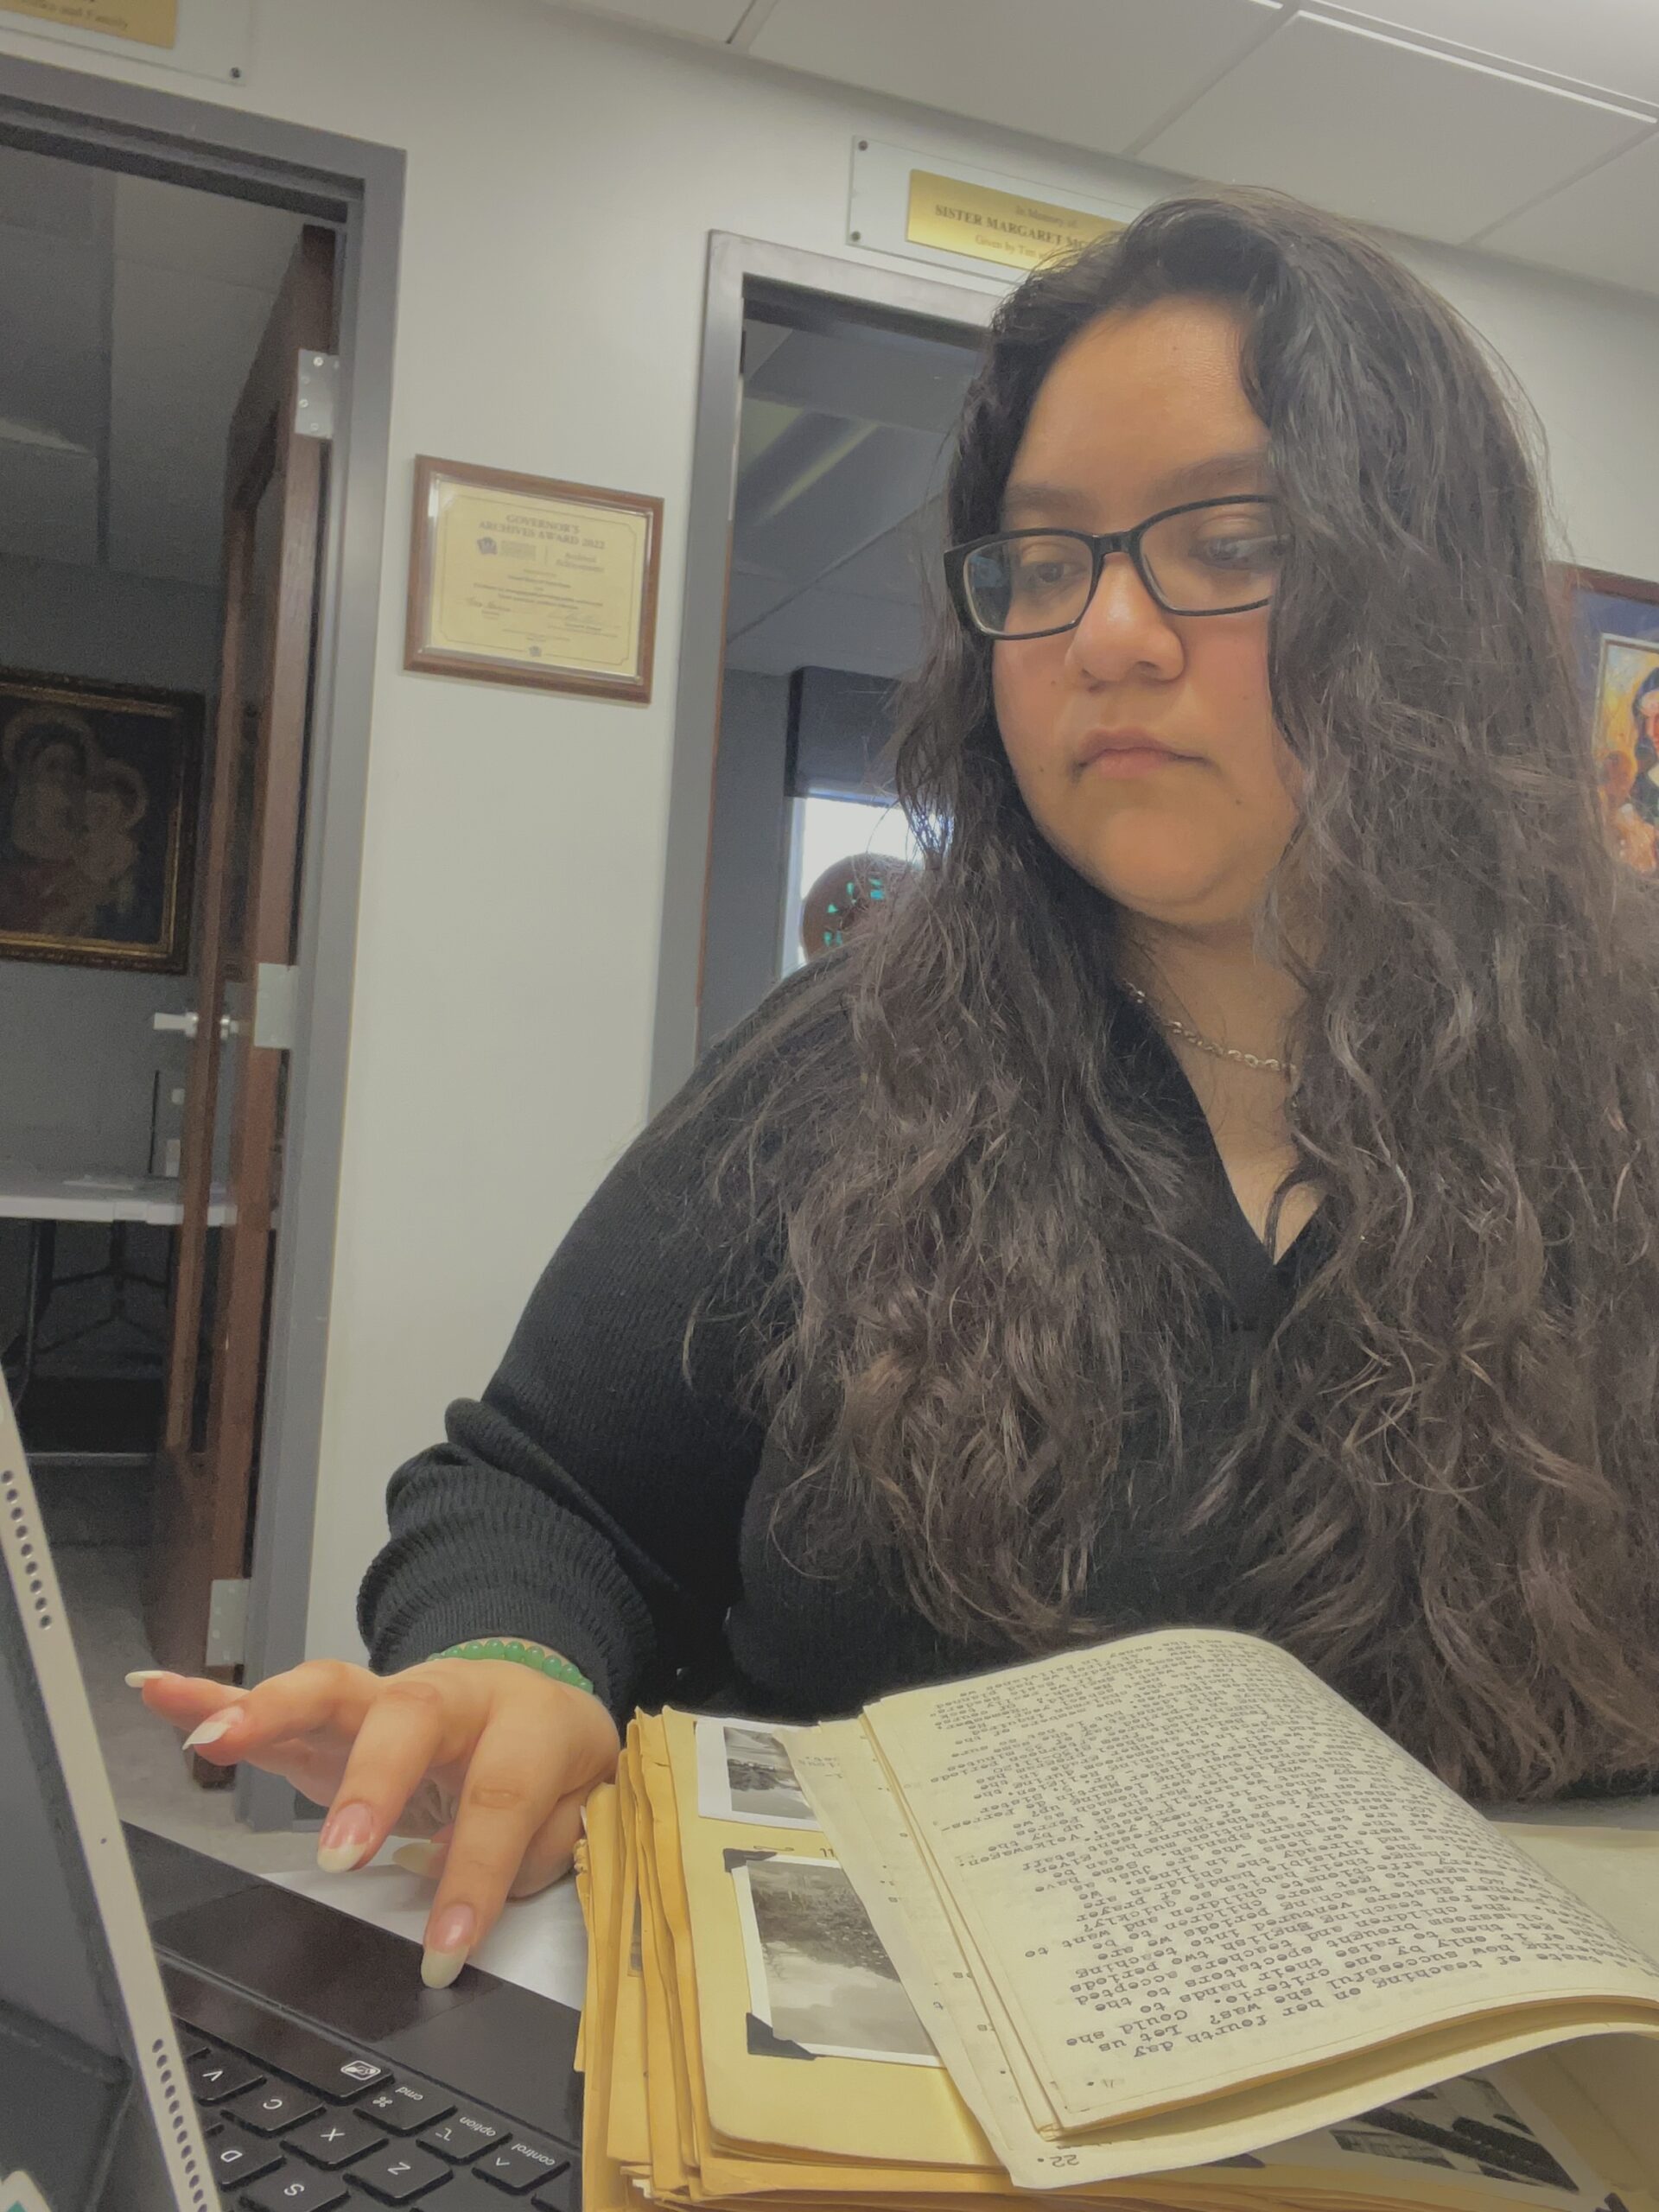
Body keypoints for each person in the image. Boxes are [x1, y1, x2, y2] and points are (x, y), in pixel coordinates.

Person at [134, 188, 1659, 1991]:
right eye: (1045, 560)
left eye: (1230, 540)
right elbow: (544, 1490)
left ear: (1430, 593)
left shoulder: (1620, 1080)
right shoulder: (861, 1053)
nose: (1107, 632)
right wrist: (516, 1668)